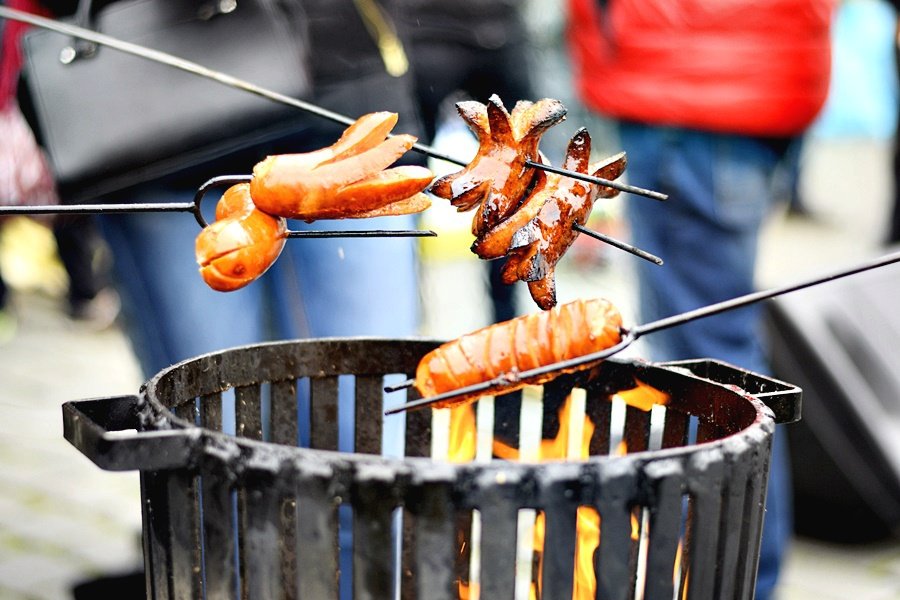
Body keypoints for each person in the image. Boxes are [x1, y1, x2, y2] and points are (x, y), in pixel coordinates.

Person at [566, 1, 834, 598]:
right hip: (747, 78)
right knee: (718, 346)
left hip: (694, 86)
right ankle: (737, 569)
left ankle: (738, 578)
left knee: (713, 361)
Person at [391, 0, 536, 323]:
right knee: (511, 183)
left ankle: (410, 316)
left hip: (427, 31)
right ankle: (507, 325)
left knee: (407, 184)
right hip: (484, 32)